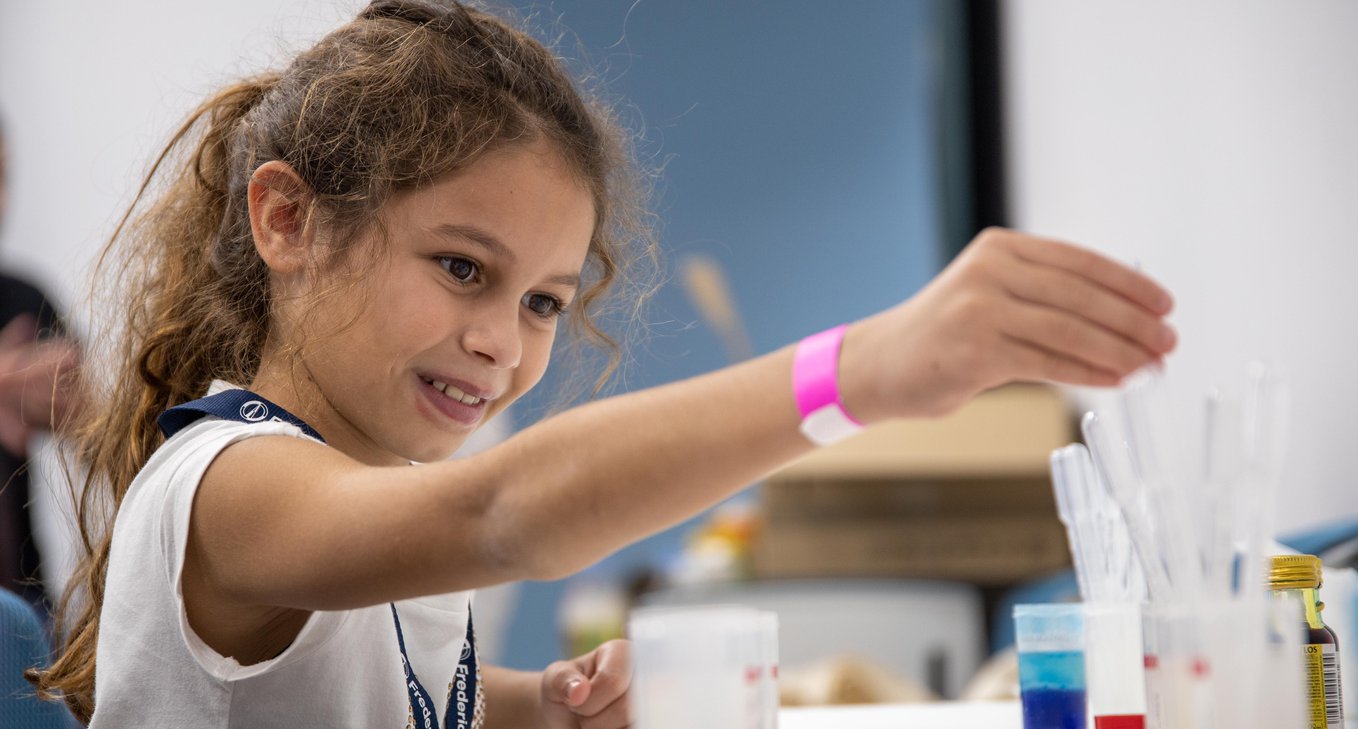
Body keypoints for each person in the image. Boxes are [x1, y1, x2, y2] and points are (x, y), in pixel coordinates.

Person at [30, 1, 1177, 727]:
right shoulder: (228, 487)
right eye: (462, 268)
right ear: (287, 220)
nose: (501, 340)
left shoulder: (362, 498)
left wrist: (539, 705)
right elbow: (507, 514)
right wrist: (859, 371)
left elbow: (363, 694)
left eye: (543, 302)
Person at [0, 117, 82, 617]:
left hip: (26, 599)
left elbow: (100, 429)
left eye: (2, 178)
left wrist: (60, 400)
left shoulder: (26, 299)